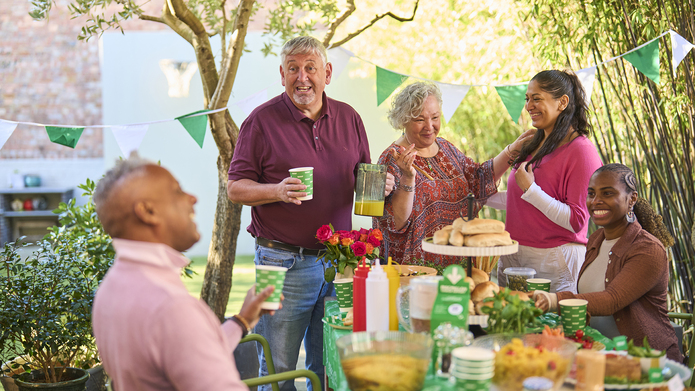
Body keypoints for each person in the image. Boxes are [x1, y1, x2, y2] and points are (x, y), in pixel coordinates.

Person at [227, 36, 390, 391]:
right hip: (279, 261)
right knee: (279, 366)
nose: (302, 78)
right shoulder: (261, 121)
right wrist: (275, 191)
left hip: (339, 262)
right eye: (294, 69)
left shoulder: (349, 118)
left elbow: (365, 183)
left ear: (327, 73)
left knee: (331, 363)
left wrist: (385, 185)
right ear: (282, 74)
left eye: (310, 68)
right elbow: (235, 187)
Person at [92, 157, 281, 390]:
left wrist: (242, 321)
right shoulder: (170, 307)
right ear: (148, 211)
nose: (193, 198)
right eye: (177, 191)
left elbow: (186, 354)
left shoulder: (111, 287)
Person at [373, 81, 535, 266]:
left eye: (435, 117)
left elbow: (479, 179)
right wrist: (408, 177)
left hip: (460, 267)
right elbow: (396, 223)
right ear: (403, 120)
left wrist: (512, 150)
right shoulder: (392, 158)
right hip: (416, 270)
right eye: (419, 119)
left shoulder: (446, 148)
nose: (429, 126)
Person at [533, 164, 681, 361]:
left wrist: (553, 300)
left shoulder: (648, 249)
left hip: (645, 362)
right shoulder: (596, 239)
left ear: (632, 199)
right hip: (599, 353)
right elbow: (589, 298)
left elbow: (611, 300)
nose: (596, 201)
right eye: (591, 194)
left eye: (607, 193)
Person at [497, 70, 603, 293]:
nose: (529, 106)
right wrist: (477, 197)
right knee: (509, 325)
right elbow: (520, 202)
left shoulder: (581, 150)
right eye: (527, 99)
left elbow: (576, 220)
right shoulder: (533, 143)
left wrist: (531, 189)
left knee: (551, 328)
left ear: (562, 102)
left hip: (553, 260)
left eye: (537, 98)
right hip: (513, 256)